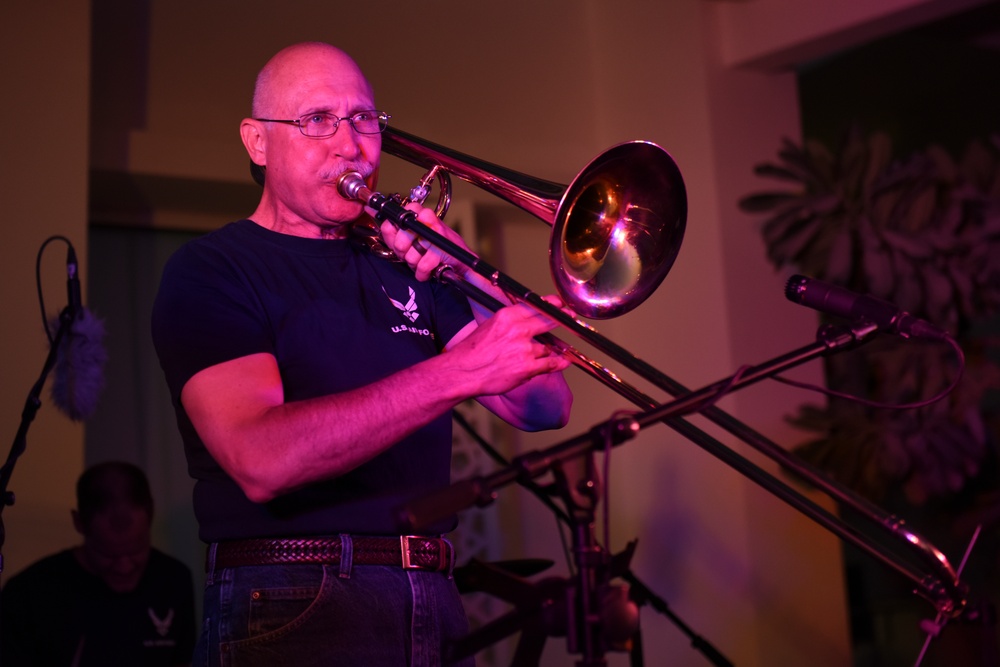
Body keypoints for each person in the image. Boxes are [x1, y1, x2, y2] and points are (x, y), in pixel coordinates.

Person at [149, 41, 573, 666]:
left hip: (430, 588)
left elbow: (544, 404)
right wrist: (456, 372)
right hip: (295, 595)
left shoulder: (406, 266)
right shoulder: (213, 269)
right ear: (257, 142)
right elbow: (260, 459)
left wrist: (467, 275)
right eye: (318, 120)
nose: (352, 146)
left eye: (365, 120)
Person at [0, 461, 196, 666]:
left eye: (136, 551)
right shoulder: (29, 594)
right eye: (109, 555)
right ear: (79, 523)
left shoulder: (174, 580)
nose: (124, 566)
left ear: (151, 516)